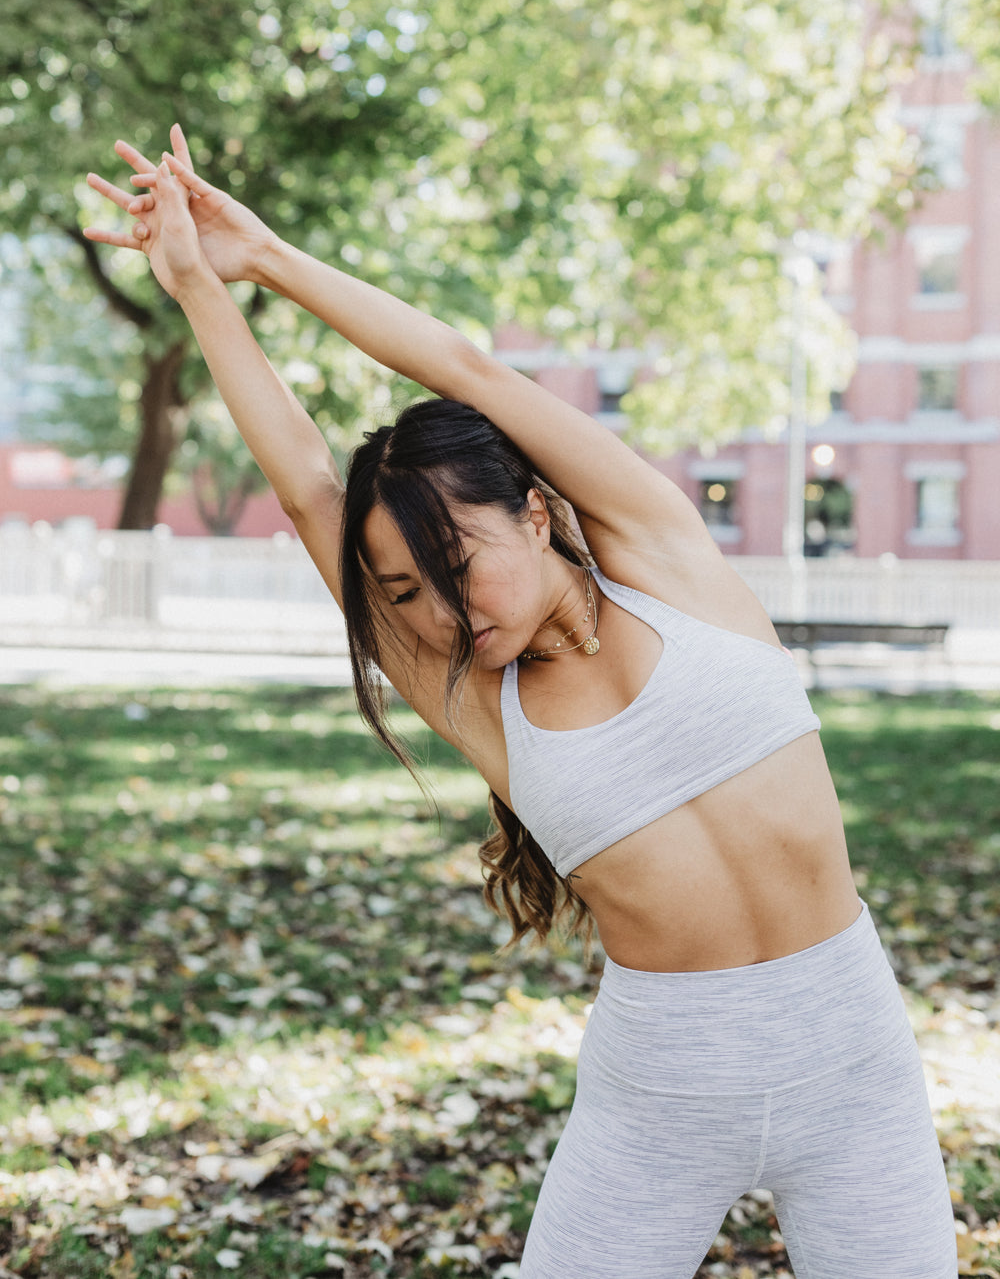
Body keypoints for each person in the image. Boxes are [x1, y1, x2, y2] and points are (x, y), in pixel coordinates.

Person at [84, 128, 957, 1279]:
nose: (442, 611)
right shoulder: (480, 704)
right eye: (405, 592)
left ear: (537, 513)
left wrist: (269, 258)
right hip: (660, 1090)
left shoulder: (666, 557)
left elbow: (472, 372)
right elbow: (305, 491)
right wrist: (196, 287)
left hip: (852, 1062)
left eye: (458, 561)